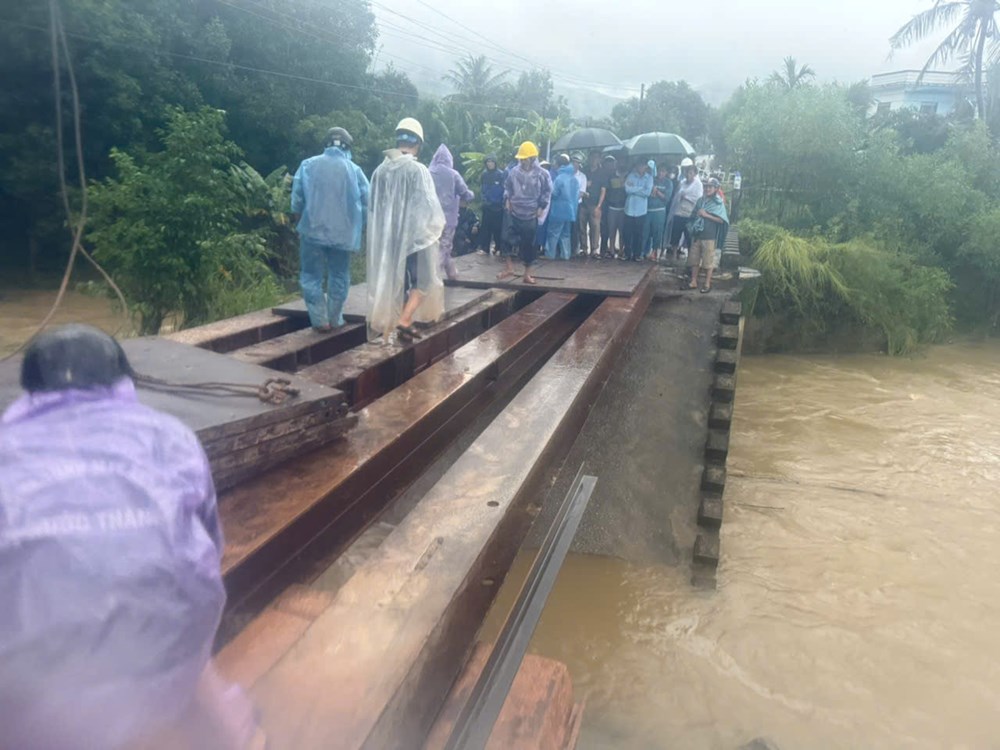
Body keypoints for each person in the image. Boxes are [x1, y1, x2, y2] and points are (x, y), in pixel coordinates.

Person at [0, 325, 261, 750]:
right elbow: (210, 549)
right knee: (178, 604)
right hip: (167, 662)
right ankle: (235, 731)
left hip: (28, 688)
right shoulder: (171, 435)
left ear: (30, 391)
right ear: (121, 383)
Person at [366, 117, 446, 343]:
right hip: (416, 237)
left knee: (396, 281)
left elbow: (373, 208)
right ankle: (405, 318)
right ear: (418, 143)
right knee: (424, 280)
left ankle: (404, 323)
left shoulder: (380, 171)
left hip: (389, 238)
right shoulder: (418, 170)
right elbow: (429, 207)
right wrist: (434, 230)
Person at [291, 127, 369, 332]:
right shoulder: (355, 171)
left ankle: (320, 320)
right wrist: (359, 230)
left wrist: (300, 225)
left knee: (311, 276)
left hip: (311, 232)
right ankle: (335, 319)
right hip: (343, 235)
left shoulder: (307, 165)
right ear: (347, 146)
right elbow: (367, 202)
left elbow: (297, 201)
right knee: (339, 275)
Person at [499, 140, 552, 285]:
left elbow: (547, 191)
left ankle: (527, 274)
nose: (523, 162)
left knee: (529, 245)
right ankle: (509, 268)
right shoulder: (514, 172)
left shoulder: (542, 174)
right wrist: (507, 200)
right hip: (514, 211)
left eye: (525, 159)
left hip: (531, 213)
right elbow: (507, 187)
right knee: (505, 239)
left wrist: (541, 207)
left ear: (532, 158)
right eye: (521, 159)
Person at [429, 143, 474, 281]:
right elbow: (465, 193)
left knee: (435, 245)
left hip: (430, 217)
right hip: (448, 218)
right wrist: (471, 196)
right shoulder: (453, 174)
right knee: (445, 245)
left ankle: (452, 272)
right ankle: (433, 276)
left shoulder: (427, 172)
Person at [687, 177, 730, 293]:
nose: (707, 189)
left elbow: (721, 220)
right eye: (706, 186)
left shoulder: (718, 203)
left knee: (708, 261)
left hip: (710, 236)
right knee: (694, 259)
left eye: (710, 187)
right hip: (697, 235)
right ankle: (693, 281)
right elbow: (693, 215)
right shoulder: (700, 201)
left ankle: (707, 284)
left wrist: (706, 215)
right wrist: (693, 224)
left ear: (716, 189)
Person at [545, 153, 580, 261]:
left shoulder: (559, 178)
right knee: (566, 234)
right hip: (570, 211)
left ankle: (550, 254)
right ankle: (565, 255)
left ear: (559, 165)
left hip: (558, 210)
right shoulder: (574, 178)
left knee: (553, 233)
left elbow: (554, 193)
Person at [668, 158, 703, 263]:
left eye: (691, 173)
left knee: (689, 237)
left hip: (690, 214)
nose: (688, 174)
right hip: (679, 212)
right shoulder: (682, 183)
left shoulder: (698, 184)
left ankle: (690, 258)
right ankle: (674, 255)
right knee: (675, 235)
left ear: (695, 174)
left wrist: (686, 197)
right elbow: (677, 196)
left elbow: (698, 199)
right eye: (687, 172)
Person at [623, 159, 653, 262]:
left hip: (641, 210)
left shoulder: (649, 178)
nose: (640, 167)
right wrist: (641, 188)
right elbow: (627, 189)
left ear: (645, 166)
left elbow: (647, 193)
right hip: (629, 209)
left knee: (639, 234)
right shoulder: (631, 176)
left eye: (642, 165)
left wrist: (634, 188)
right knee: (627, 233)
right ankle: (627, 254)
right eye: (638, 165)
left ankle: (637, 254)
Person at [645, 162, 675, 260]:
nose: (660, 173)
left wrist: (657, 191)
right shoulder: (651, 179)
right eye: (659, 171)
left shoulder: (668, 183)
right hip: (648, 209)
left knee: (657, 233)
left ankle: (655, 252)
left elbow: (666, 198)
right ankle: (645, 251)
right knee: (646, 232)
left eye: (663, 171)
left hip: (660, 211)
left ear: (666, 172)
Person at [583, 151, 607, 258]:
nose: (594, 160)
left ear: (599, 159)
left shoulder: (602, 173)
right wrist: (585, 185)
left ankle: (594, 249)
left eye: (596, 158)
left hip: (595, 204)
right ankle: (583, 249)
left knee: (595, 227)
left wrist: (599, 206)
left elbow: (603, 190)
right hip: (583, 204)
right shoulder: (584, 171)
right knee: (582, 227)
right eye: (592, 157)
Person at [479, 154, 505, 255]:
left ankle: (498, 247)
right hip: (487, 206)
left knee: (498, 229)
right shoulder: (484, 175)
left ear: (495, 163)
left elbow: (504, 189)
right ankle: (485, 248)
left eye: (491, 162)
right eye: (488, 162)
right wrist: (484, 200)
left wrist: (501, 202)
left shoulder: (500, 174)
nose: (490, 164)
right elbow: (482, 189)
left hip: (498, 207)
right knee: (486, 228)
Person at [602, 156, 627, 259]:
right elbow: (608, 190)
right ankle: (611, 250)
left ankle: (621, 250)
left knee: (622, 231)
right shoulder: (611, 176)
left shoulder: (628, 176)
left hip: (623, 208)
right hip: (612, 207)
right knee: (611, 230)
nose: (621, 164)